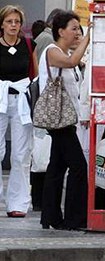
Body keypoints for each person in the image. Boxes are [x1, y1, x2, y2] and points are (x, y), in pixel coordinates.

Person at [38, 10, 90, 230]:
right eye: (74, 28)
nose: (77, 33)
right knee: (78, 166)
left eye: (79, 28)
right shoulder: (52, 50)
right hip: (59, 120)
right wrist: (89, 37)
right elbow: (70, 62)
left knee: (57, 167)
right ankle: (73, 218)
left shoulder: (65, 52)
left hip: (67, 119)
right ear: (60, 31)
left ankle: (50, 216)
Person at [0, 5, 38, 218]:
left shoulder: (28, 44)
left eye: (17, 22)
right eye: (9, 21)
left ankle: (18, 203)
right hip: (0, 97)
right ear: (2, 24)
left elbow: (34, 74)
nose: (13, 25)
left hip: (21, 99)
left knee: (21, 154)